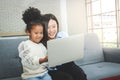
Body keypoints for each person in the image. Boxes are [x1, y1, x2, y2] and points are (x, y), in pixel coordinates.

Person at [42, 13, 87, 80]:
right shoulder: (41, 43)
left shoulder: (63, 35)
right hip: (53, 69)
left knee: (80, 74)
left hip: (68, 64)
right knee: (67, 78)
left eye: (54, 26)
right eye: (48, 27)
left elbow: (70, 50)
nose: (51, 30)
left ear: (57, 26)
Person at [18, 7, 52, 80]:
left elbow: (46, 62)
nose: (39, 35)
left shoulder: (42, 46)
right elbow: (28, 61)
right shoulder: (24, 45)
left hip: (44, 74)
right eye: (36, 33)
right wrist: (43, 60)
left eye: (41, 33)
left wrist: (50, 61)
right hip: (30, 76)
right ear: (28, 32)